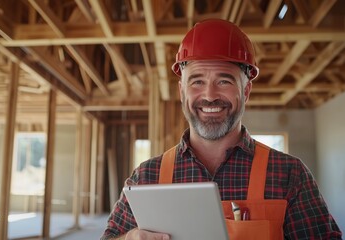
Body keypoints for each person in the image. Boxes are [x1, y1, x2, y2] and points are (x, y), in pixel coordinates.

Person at [101, 19, 342, 240]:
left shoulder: (289, 175)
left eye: (224, 81)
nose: (209, 95)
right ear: (182, 91)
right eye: (197, 82)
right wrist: (129, 238)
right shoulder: (147, 178)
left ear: (245, 91)